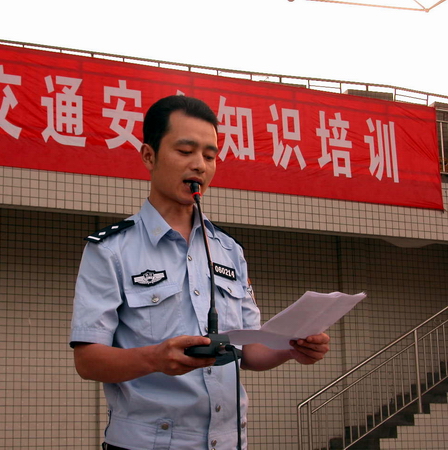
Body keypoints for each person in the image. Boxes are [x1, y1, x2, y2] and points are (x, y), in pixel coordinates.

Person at [69, 95, 330, 450]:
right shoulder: (111, 249)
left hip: (229, 442)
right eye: (185, 151)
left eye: (209, 156)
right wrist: (155, 358)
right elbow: (88, 360)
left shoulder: (228, 250)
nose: (199, 166)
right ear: (149, 156)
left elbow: (249, 349)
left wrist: (292, 347)